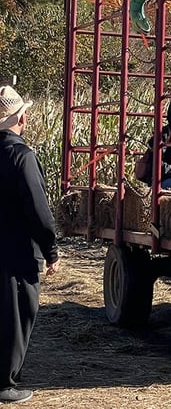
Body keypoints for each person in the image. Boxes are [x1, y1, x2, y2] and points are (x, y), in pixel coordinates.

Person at [0, 86, 59, 404]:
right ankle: (5, 383)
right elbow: (38, 209)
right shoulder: (21, 156)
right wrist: (51, 249)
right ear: (20, 117)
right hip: (17, 251)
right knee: (17, 314)